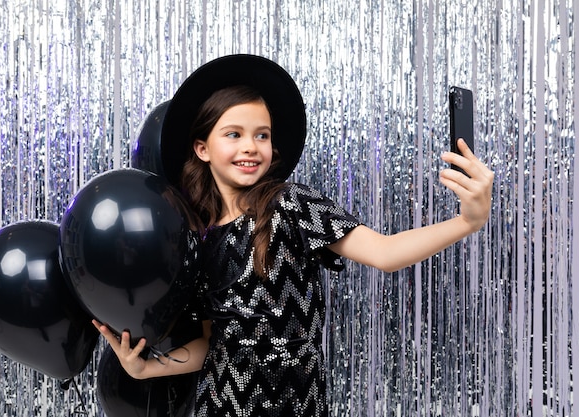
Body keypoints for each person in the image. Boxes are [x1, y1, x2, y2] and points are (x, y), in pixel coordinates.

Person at [94, 54, 494, 417]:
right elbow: (213, 344)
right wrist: (149, 368)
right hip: (221, 403)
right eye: (233, 134)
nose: (251, 147)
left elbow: (385, 252)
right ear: (202, 148)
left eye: (262, 135)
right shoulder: (198, 237)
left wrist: (466, 222)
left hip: (296, 403)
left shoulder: (288, 203)